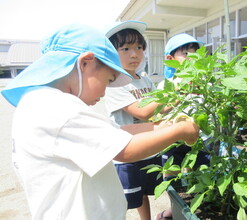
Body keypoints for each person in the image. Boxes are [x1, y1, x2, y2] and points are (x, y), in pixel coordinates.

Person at [0, 24, 199, 220]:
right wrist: (180, 129)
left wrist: (160, 126)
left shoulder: (41, 101)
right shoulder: (57, 107)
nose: (105, 91)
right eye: (109, 80)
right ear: (85, 63)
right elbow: (125, 150)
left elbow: (117, 131)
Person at [103, 20, 174, 220]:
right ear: (112, 52)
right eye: (125, 48)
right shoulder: (114, 82)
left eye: (139, 47)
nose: (134, 54)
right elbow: (143, 112)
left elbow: (157, 109)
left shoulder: (145, 80)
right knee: (127, 198)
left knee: (144, 192)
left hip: (147, 147)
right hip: (128, 152)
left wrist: (173, 105)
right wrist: (176, 96)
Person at [155, 33, 210, 220]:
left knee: (202, 175)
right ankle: (174, 209)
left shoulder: (204, 82)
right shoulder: (166, 84)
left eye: (195, 53)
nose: (192, 58)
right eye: (186, 53)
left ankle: (196, 207)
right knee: (172, 178)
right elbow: (159, 111)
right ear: (170, 59)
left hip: (200, 140)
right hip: (174, 139)